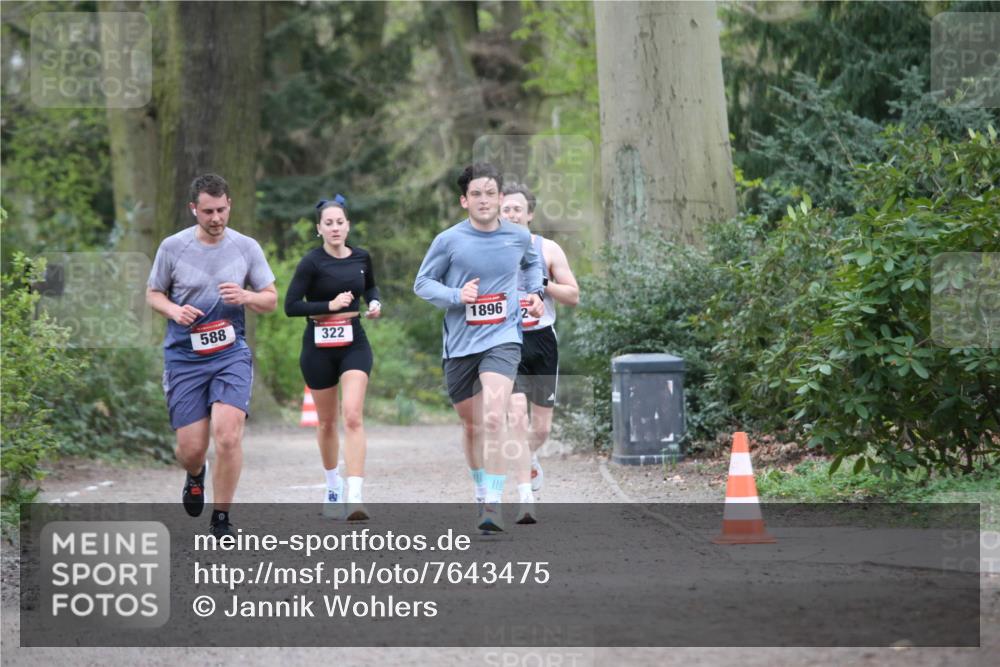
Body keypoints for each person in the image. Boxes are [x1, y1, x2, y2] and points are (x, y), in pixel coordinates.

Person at [414, 163, 544, 533]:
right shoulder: (449, 240)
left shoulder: (518, 237)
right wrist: (458, 295)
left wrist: (533, 295)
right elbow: (422, 284)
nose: (484, 200)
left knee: (494, 416)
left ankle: (493, 502)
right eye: (476, 194)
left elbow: (533, 267)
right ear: (463, 201)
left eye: (490, 193)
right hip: (460, 344)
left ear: (501, 199)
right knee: (471, 425)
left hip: (503, 338)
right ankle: (479, 487)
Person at [146, 173, 277, 538]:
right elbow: (153, 293)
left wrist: (247, 297)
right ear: (194, 210)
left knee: (229, 436)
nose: (216, 218)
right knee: (191, 449)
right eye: (208, 211)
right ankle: (195, 473)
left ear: (229, 205)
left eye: (221, 210)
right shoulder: (173, 248)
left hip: (229, 354)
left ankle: (221, 518)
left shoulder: (246, 247)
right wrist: (174, 311)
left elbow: (270, 298)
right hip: (184, 357)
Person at [284, 194, 381, 521]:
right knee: (327, 422)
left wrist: (375, 304)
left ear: (348, 225)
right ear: (319, 228)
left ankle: (356, 494)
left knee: (352, 415)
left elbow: (372, 288)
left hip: (354, 342)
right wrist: (329, 306)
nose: (336, 227)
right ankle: (332, 485)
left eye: (340, 222)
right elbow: (291, 306)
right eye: (329, 223)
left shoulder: (362, 257)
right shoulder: (311, 263)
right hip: (318, 345)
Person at [500, 183, 579, 524]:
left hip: (542, 340)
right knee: (516, 414)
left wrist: (541, 284)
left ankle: (526, 459)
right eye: (506, 209)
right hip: (506, 340)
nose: (512, 214)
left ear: (529, 214)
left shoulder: (548, 249)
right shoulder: (487, 250)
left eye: (518, 209)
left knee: (541, 429)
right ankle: (524, 496)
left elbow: (573, 295)